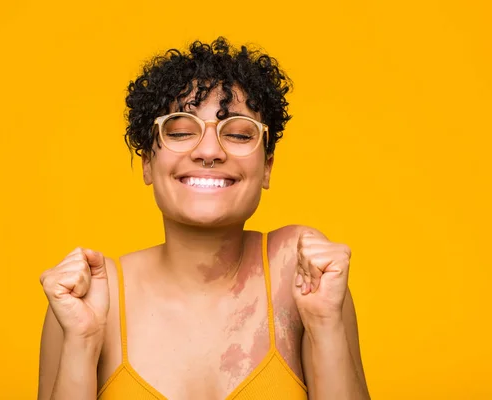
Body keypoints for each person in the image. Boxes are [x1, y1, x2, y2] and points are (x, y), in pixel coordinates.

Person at [37, 37, 370, 400]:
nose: (209, 151)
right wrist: (82, 343)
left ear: (267, 168)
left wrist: (325, 324)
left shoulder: (304, 274)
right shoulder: (84, 300)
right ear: (148, 163)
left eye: (240, 134)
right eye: (180, 131)